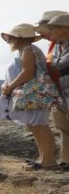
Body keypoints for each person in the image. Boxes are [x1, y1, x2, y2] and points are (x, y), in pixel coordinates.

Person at [0, 23, 57, 170]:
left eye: (10, 37)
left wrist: (10, 87)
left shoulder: (28, 50)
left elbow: (28, 72)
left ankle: (49, 161)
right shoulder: (26, 50)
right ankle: (43, 158)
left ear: (19, 38)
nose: (8, 41)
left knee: (40, 126)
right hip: (32, 94)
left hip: (34, 93)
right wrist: (7, 85)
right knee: (35, 126)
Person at [39, 12, 69, 170]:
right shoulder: (57, 45)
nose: (47, 32)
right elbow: (57, 63)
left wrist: (57, 63)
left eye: (51, 28)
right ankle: (66, 159)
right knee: (63, 127)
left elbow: (58, 63)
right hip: (61, 90)